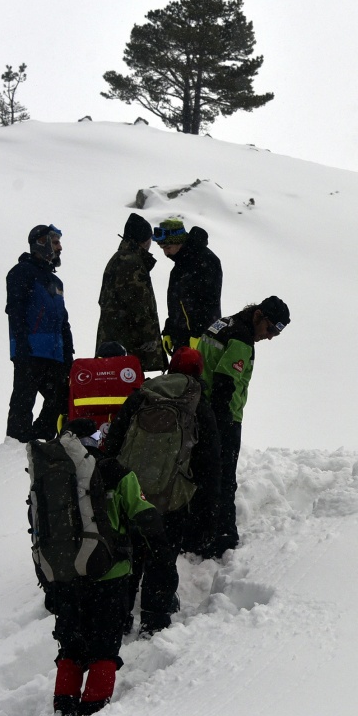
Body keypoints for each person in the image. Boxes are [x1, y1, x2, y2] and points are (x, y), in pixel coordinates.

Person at [36, 419, 170, 716]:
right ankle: (93, 713)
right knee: (104, 646)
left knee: (71, 645)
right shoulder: (116, 471)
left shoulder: (51, 476)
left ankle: (63, 708)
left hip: (66, 577)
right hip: (109, 575)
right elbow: (142, 513)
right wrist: (161, 551)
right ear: (96, 440)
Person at [104, 346, 221, 632]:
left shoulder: (142, 393)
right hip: (171, 497)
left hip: (131, 494)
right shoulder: (197, 402)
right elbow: (211, 460)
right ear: (198, 372)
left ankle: (118, 619)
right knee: (162, 557)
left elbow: (114, 441)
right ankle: (155, 621)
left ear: (171, 367)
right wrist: (207, 506)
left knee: (128, 555)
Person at [196, 297, 290, 557]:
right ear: (258, 315)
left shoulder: (223, 324)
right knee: (223, 478)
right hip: (221, 416)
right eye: (270, 329)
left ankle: (196, 533)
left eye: (277, 333)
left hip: (198, 408)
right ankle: (222, 537)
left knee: (201, 474)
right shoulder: (241, 337)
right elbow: (225, 382)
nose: (270, 337)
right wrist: (222, 423)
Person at [6, 224, 74, 441]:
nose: (60, 248)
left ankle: (42, 436)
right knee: (24, 399)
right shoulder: (21, 272)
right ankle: (16, 441)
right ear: (41, 243)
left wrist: (68, 351)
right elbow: (15, 309)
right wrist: (21, 342)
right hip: (30, 349)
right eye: (55, 243)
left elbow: (63, 320)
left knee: (61, 397)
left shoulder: (56, 281)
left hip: (55, 353)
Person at [96, 212, 165, 371]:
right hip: (128, 342)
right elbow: (138, 302)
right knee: (128, 385)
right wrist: (148, 335)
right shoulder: (131, 261)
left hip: (114, 340)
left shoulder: (118, 258)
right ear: (144, 240)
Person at [156, 218, 223, 354]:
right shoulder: (180, 266)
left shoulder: (206, 261)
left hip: (202, 339)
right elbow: (177, 304)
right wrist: (169, 330)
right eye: (162, 248)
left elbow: (209, 302)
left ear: (179, 242)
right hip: (183, 340)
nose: (165, 253)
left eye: (168, 247)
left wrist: (199, 334)